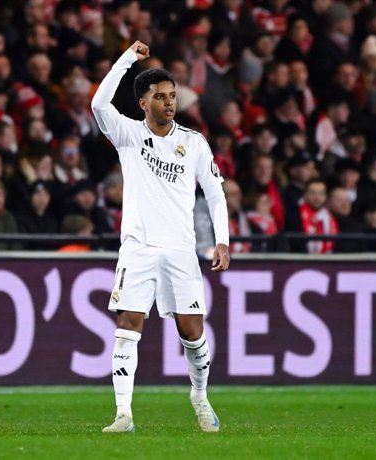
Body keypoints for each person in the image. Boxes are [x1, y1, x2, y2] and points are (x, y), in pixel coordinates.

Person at [91, 41, 230, 433]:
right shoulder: (129, 136)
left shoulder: (194, 143)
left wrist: (223, 240)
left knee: (192, 333)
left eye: (172, 96)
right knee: (127, 325)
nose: (169, 103)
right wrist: (125, 60)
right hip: (138, 249)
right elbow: (100, 105)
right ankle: (123, 414)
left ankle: (200, 397)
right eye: (160, 97)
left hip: (181, 252)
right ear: (143, 103)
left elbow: (215, 192)